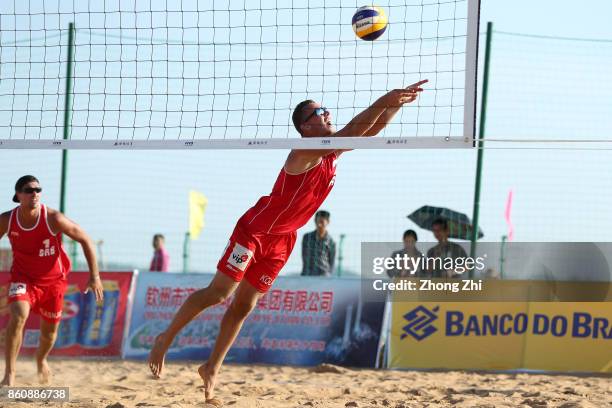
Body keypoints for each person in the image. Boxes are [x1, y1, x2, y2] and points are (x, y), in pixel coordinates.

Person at [148, 80, 428, 406]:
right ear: (306, 125)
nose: (328, 113)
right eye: (320, 111)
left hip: (283, 239)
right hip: (254, 231)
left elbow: (369, 130)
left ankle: (211, 367)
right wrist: (384, 98)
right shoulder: (305, 151)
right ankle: (164, 339)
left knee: (244, 306)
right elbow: (354, 128)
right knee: (219, 293)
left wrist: (394, 105)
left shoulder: (330, 151)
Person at [0, 175, 103, 386]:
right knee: (18, 316)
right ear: (18, 195)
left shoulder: (53, 218)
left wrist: (95, 276)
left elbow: (85, 239)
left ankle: (41, 359)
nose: (35, 194)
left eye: (38, 189)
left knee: (49, 334)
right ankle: (9, 375)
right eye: (29, 190)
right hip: (23, 278)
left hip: (53, 282)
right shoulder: (6, 220)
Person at [301, 210, 336, 276]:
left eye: (322, 222)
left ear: (328, 222)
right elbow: (304, 256)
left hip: (324, 275)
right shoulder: (307, 238)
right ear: (315, 221)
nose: (319, 224)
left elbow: (332, 262)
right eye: (318, 221)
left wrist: (328, 274)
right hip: (307, 274)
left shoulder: (331, 242)